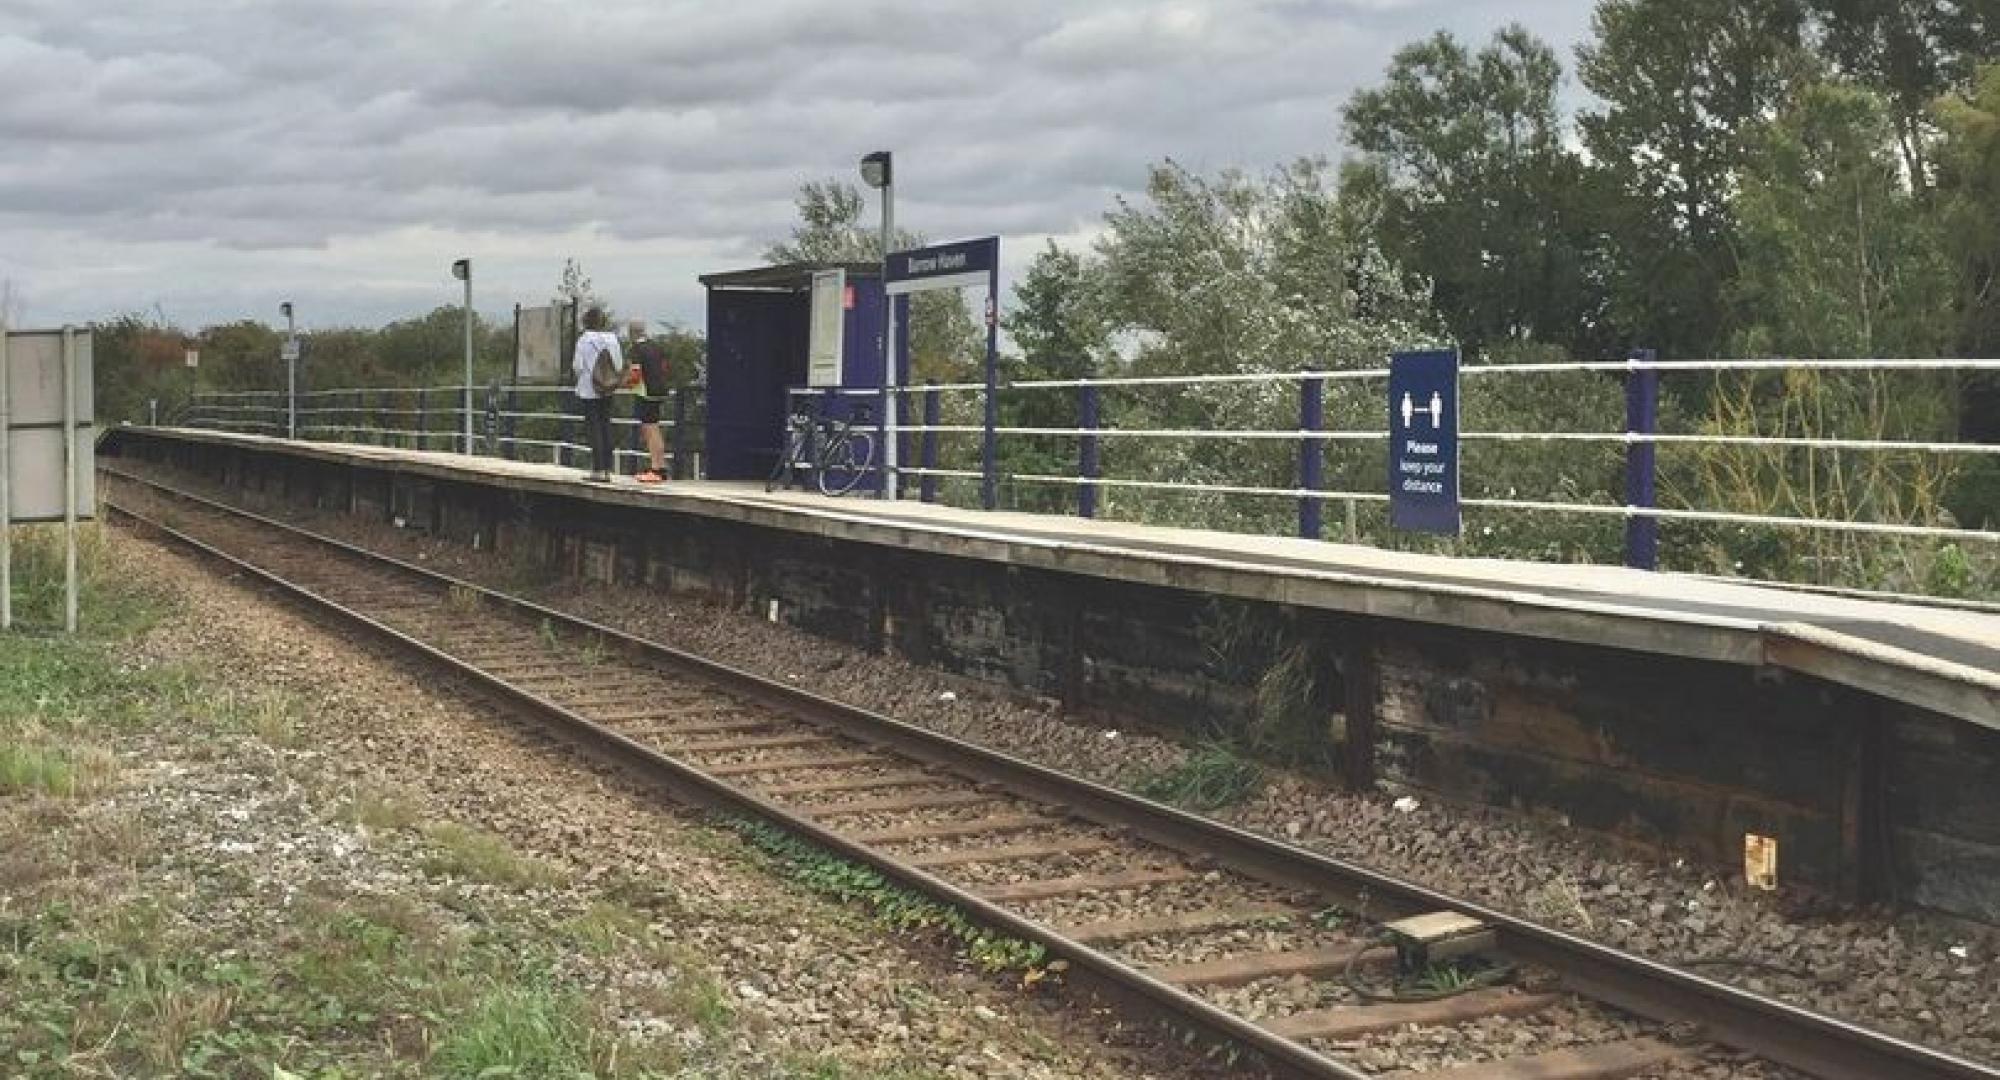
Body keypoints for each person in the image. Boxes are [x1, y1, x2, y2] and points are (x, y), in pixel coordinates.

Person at [572, 306, 623, 483]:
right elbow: (618, 364)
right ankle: (608, 468)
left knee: (593, 428)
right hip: (608, 388)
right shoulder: (612, 339)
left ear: (586, 322)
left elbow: (578, 366)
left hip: (589, 389)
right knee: (606, 424)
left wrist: (587, 376)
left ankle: (598, 469)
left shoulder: (584, 340)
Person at [627, 319, 671, 483]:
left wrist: (627, 385)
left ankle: (656, 469)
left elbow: (635, 374)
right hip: (659, 390)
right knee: (655, 428)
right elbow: (665, 367)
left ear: (631, 333)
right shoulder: (656, 346)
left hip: (646, 393)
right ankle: (661, 466)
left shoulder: (636, 349)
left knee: (650, 429)